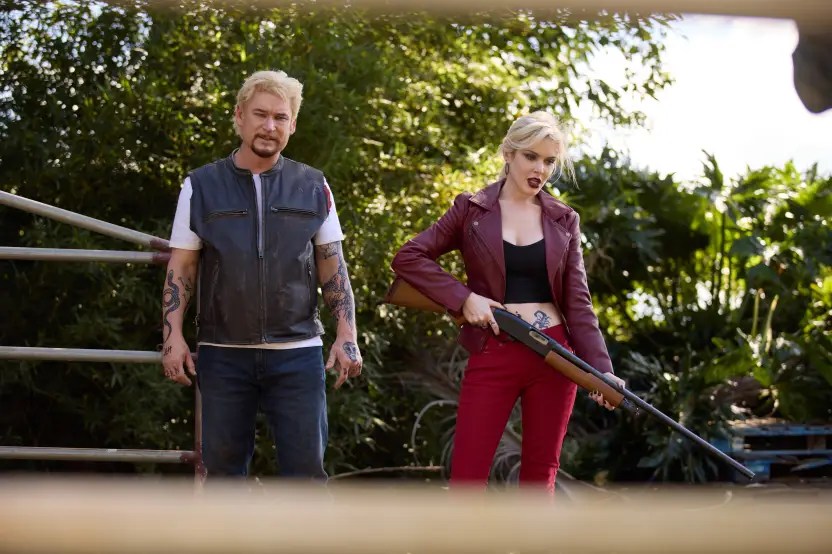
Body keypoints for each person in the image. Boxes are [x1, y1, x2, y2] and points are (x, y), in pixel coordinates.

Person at [390, 111, 624, 495]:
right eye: (531, 156)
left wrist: (601, 370)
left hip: (555, 355)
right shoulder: (471, 209)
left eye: (549, 161)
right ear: (508, 154)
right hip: (495, 348)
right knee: (467, 478)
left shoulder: (564, 219)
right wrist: (464, 298)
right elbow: (408, 257)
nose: (540, 169)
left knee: (539, 479)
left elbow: (578, 302)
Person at [160, 70, 362, 480]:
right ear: (239, 116)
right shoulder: (201, 185)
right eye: (260, 114)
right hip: (223, 353)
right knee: (223, 476)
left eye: (280, 117)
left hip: (298, 353)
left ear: (293, 124)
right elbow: (181, 267)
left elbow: (332, 264)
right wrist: (172, 337)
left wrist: (347, 334)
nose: (270, 126)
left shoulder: (314, 185)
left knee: (306, 475)